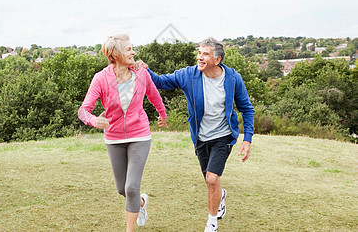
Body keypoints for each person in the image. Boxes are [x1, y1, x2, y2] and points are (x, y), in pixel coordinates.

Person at [136, 37, 254, 232]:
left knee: (211, 179)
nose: (199, 57)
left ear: (217, 60)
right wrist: (145, 70)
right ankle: (220, 196)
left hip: (223, 136)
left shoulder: (233, 78)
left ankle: (212, 222)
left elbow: (247, 109)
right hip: (200, 138)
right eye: (199, 53)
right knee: (210, 180)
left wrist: (247, 138)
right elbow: (160, 82)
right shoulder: (188, 75)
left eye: (205, 54)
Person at [78, 34, 168, 232]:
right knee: (122, 189)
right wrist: (94, 120)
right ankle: (141, 204)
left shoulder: (141, 73)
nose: (133, 52)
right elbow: (83, 110)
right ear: (115, 54)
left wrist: (162, 114)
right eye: (128, 49)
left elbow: (154, 95)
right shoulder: (101, 79)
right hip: (114, 137)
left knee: (131, 187)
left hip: (140, 134)